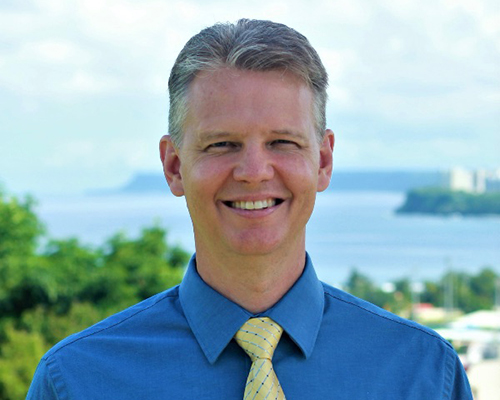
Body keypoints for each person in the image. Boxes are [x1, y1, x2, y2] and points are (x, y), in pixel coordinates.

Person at [28, 19, 472, 399]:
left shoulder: (424, 374)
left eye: (283, 142)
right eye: (223, 144)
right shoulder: (78, 380)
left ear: (323, 161)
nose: (254, 172)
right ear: (174, 166)